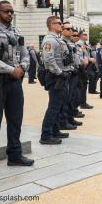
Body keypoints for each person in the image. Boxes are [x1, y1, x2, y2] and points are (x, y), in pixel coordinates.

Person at [0, 0, 34, 178]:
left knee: (15, 120)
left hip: (15, 83)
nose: (10, 14)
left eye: (11, 11)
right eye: (5, 11)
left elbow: (25, 54)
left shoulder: (16, 31)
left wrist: (23, 68)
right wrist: (12, 70)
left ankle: (15, 155)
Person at [40, 16, 75, 146]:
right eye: (59, 23)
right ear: (51, 25)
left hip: (61, 75)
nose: (61, 25)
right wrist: (60, 73)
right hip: (56, 77)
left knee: (59, 105)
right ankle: (46, 135)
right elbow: (48, 60)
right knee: (54, 107)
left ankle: (55, 130)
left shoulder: (57, 40)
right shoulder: (50, 40)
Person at [77, 31, 93, 109]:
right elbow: (80, 56)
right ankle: (82, 103)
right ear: (80, 36)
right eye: (85, 34)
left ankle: (83, 102)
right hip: (82, 67)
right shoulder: (79, 44)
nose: (86, 36)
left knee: (84, 85)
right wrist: (88, 59)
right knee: (82, 86)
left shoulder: (84, 44)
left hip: (85, 66)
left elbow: (85, 54)